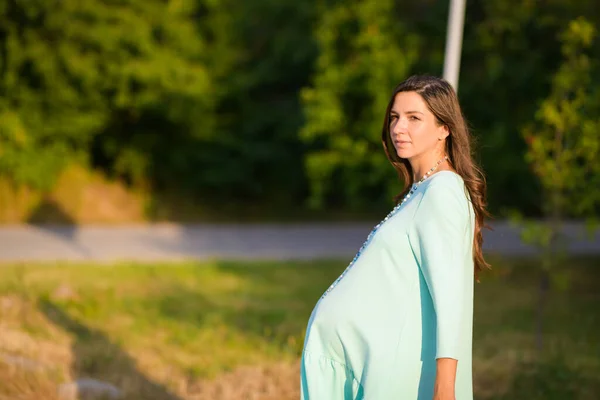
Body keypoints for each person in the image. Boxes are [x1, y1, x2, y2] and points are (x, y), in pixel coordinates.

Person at [300, 75, 490, 400]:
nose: (398, 128)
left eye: (414, 118)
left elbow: (450, 298)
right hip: (373, 370)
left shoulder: (442, 192)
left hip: (394, 378)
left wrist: (445, 388)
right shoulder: (422, 191)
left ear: (445, 128)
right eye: (394, 117)